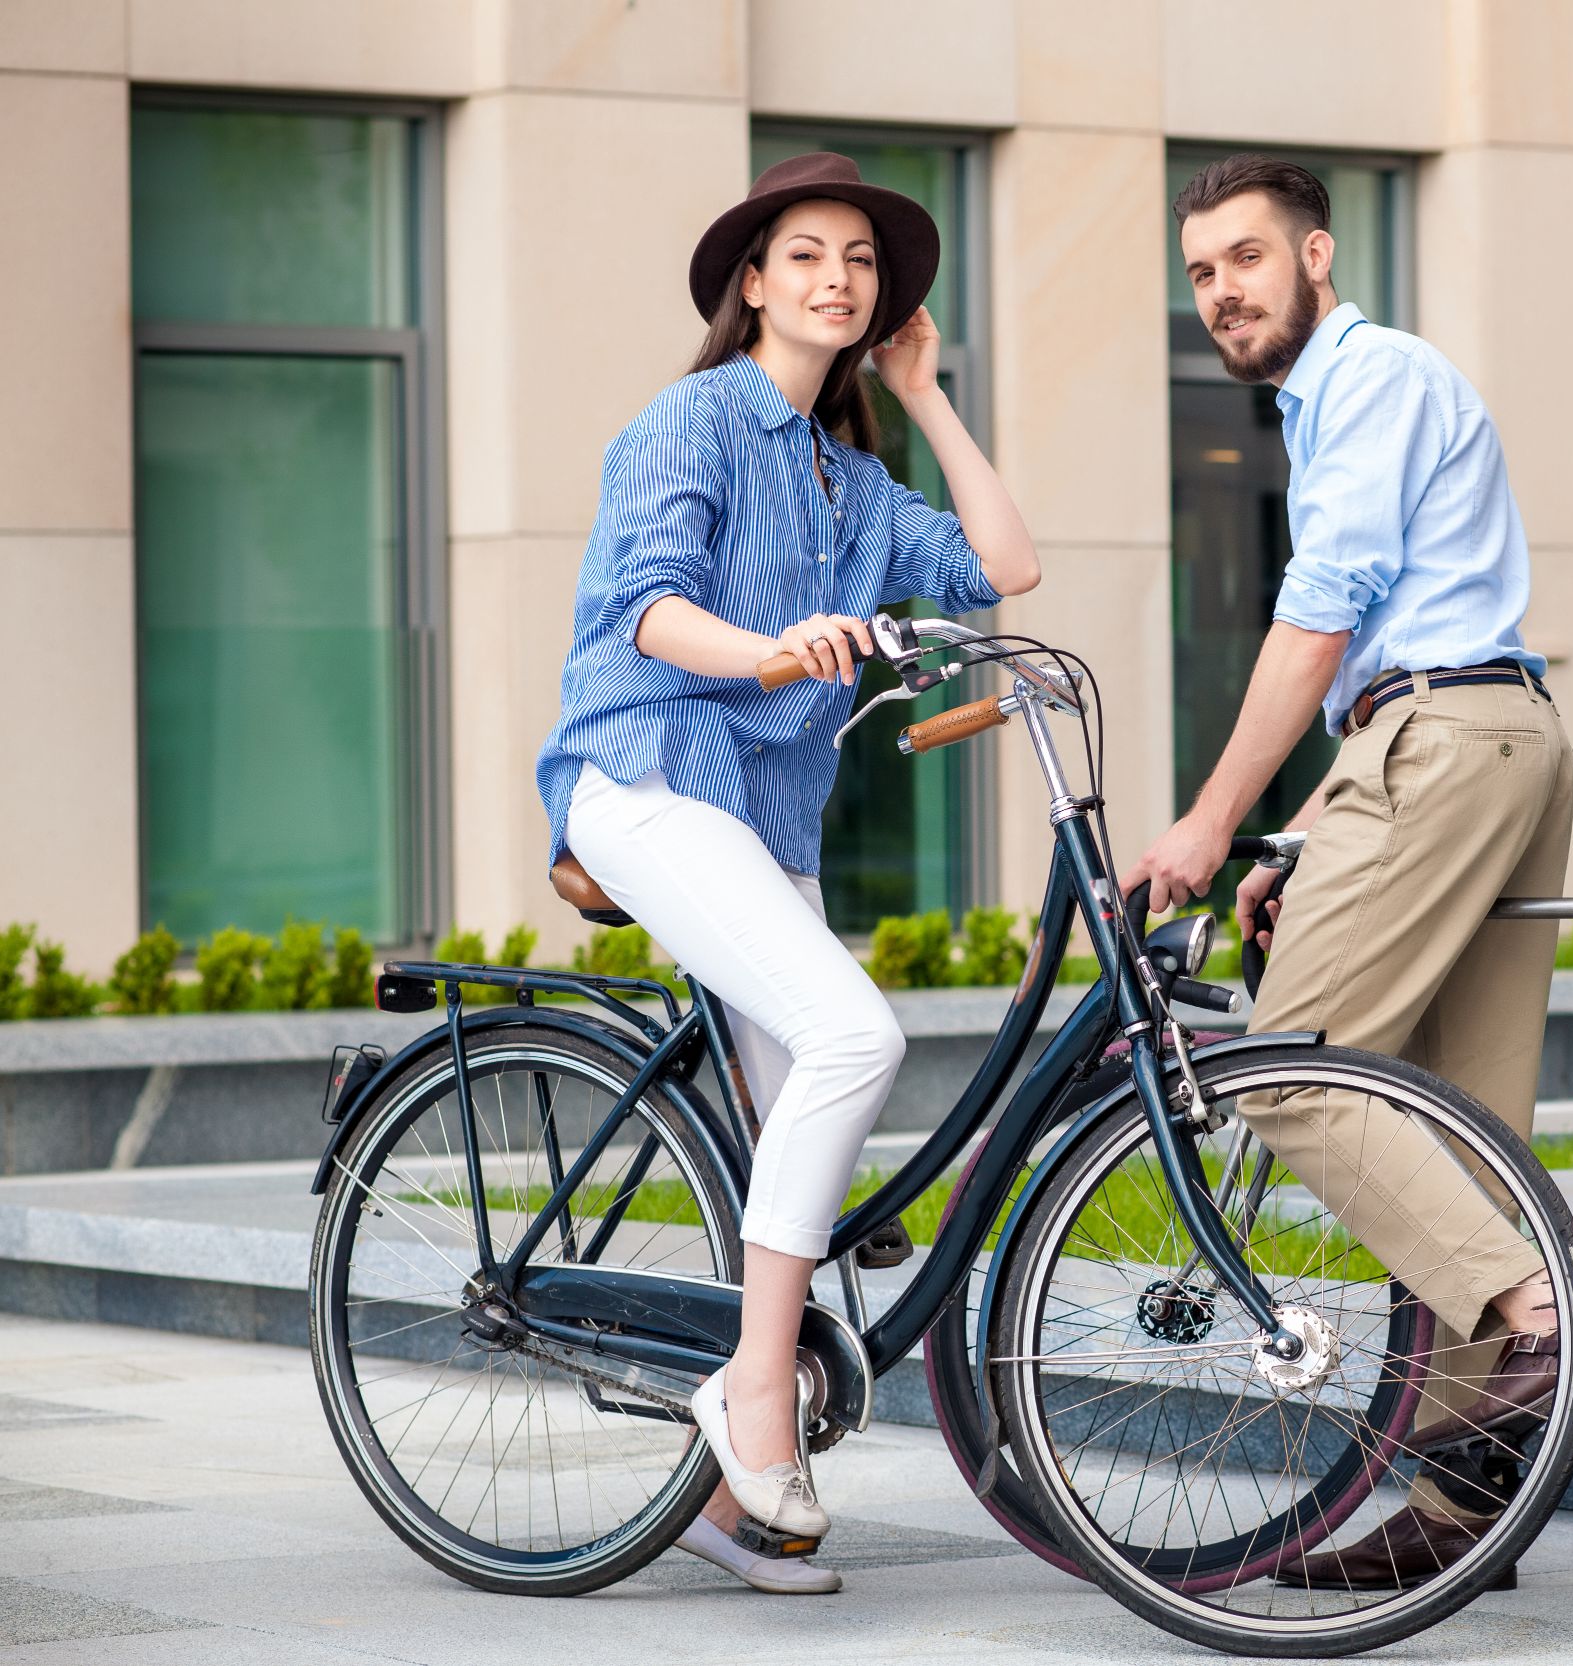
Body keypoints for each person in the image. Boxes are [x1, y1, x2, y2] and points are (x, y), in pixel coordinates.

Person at [534, 152, 1039, 1594]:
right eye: (808, 254)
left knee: (796, 1134)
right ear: (753, 281)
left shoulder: (859, 481)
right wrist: (765, 647)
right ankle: (755, 1392)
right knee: (854, 1033)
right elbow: (644, 610)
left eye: (861, 263)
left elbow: (1009, 568)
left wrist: (932, 392)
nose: (838, 277)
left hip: (768, 820)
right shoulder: (691, 420)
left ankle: (741, 1500)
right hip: (646, 778)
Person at [1125, 154, 1573, 1590]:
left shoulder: (1370, 378)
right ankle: (1476, 1508)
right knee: (1460, 1131)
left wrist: (1214, 819)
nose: (1222, 289)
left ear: (1318, 255)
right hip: (1483, 735)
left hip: (1445, 734)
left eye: (1245, 258)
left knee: (1282, 1063)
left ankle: (1544, 1312)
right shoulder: (1342, 396)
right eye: (1203, 272)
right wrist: (1310, 830)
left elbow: (1321, 625)